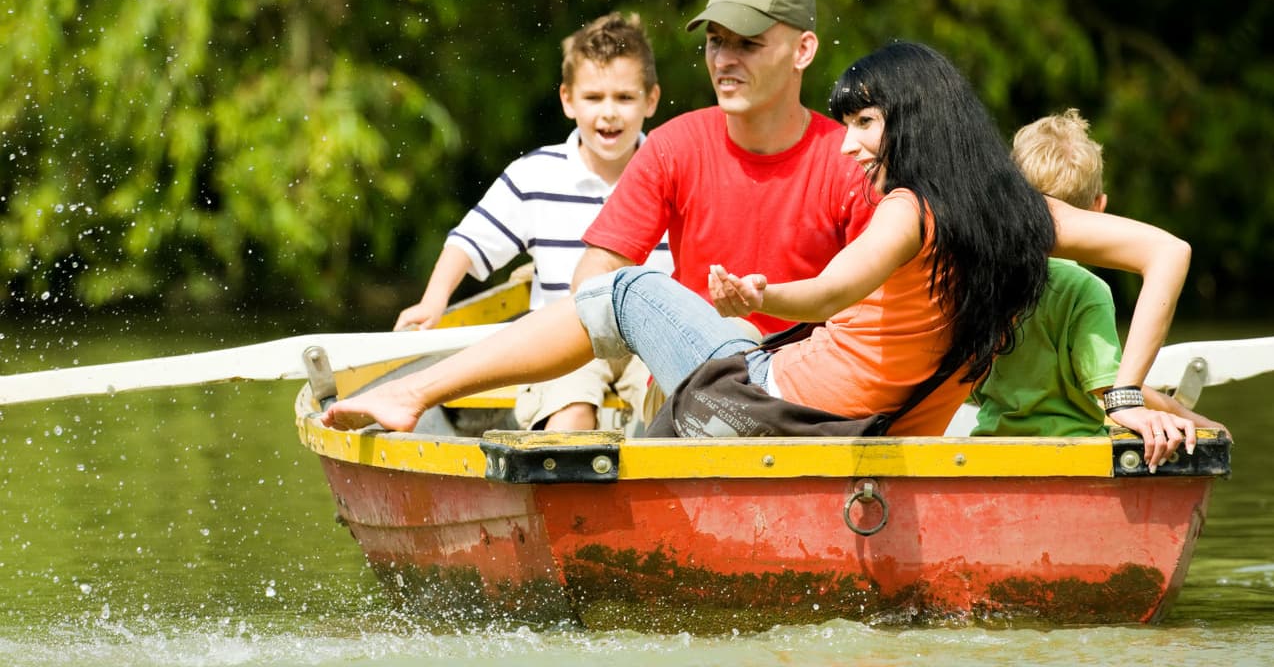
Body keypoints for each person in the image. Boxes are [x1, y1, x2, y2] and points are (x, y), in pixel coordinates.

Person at [320, 42, 1192, 469]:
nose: (848, 143)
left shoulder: (905, 212)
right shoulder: (1019, 215)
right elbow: (1167, 252)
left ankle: (415, 392)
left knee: (625, 288)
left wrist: (760, 292)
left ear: (911, 123)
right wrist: (1123, 395)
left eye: (863, 121)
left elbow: (832, 290)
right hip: (865, 434)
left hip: (761, 417)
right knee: (656, 339)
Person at [392, 11, 671, 431]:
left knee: (679, 410)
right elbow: (469, 241)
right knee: (570, 414)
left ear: (650, 100)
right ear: (568, 100)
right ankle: (564, 486)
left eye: (625, 98)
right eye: (594, 98)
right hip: (563, 341)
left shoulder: (671, 168)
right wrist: (434, 301)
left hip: (648, 340)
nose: (609, 113)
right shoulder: (535, 175)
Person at [569, 0, 874, 337]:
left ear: (803, 51)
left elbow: (882, 307)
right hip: (689, 379)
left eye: (748, 43)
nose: (724, 60)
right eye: (716, 41)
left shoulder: (852, 160)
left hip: (808, 383)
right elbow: (593, 279)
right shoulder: (674, 146)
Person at [970, 109, 1226, 463]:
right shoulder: (1085, 291)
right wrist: (1195, 422)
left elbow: (972, 388)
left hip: (987, 450)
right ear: (1098, 209)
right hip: (1074, 456)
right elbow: (1109, 390)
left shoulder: (983, 284)